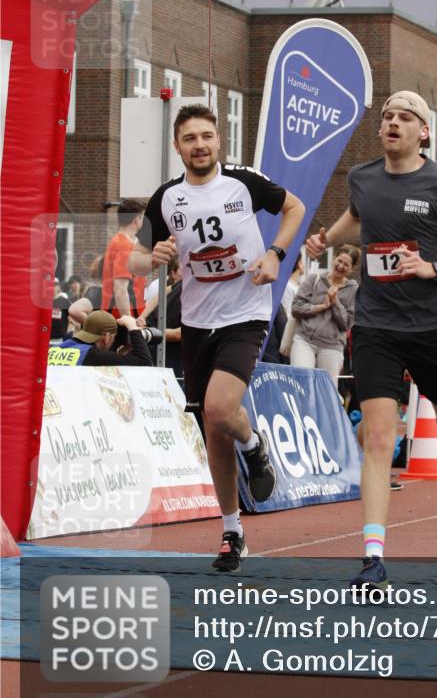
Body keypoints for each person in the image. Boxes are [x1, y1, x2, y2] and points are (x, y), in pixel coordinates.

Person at [306, 90, 437, 591]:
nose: (393, 123)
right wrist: (327, 237)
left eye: (405, 117)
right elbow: (357, 217)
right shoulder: (363, 177)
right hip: (377, 327)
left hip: (433, 328)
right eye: (387, 116)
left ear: (423, 131)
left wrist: (431, 267)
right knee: (380, 437)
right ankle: (372, 559)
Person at [128, 103, 305, 572]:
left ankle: (255, 447)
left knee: (221, 409)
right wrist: (154, 256)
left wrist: (275, 254)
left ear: (218, 140)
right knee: (213, 430)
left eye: (206, 136)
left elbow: (295, 207)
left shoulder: (243, 182)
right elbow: (135, 259)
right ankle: (232, 532)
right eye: (190, 139)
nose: (200, 145)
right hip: (197, 322)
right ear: (177, 146)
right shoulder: (166, 199)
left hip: (245, 314)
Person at [290, 245, 359, 382]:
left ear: (352, 269)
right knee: (301, 383)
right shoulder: (314, 279)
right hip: (304, 340)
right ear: (334, 258)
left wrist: (335, 302)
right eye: (339, 261)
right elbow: (295, 308)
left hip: (332, 346)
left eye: (346, 264)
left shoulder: (354, 290)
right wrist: (320, 307)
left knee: (326, 390)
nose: (341, 266)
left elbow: (346, 324)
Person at [47, 310, 153, 366]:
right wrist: (132, 327)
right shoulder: (92, 355)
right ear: (106, 338)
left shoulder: (55, 349)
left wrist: (120, 354)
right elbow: (144, 362)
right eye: (113, 338)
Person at [102, 199, 147, 318]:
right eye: (143, 217)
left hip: (119, 315)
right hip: (124, 317)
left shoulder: (117, 241)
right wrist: (129, 323)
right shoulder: (125, 245)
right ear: (136, 219)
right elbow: (120, 289)